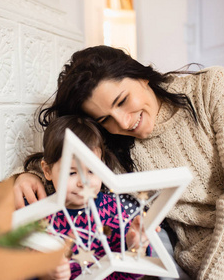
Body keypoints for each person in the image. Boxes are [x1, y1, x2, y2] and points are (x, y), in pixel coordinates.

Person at [10, 45, 224, 279]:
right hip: (220, 252)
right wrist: (30, 174)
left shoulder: (210, 87)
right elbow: (75, 160)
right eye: (105, 120)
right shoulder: (117, 149)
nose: (124, 122)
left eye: (122, 101)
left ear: (141, 75)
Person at [25, 115, 153, 280]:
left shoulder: (118, 212)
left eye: (92, 170)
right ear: (47, 170)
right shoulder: (40, 220)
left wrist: (136, 248)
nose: (83, 183)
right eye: (72, 173)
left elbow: (133, 273)